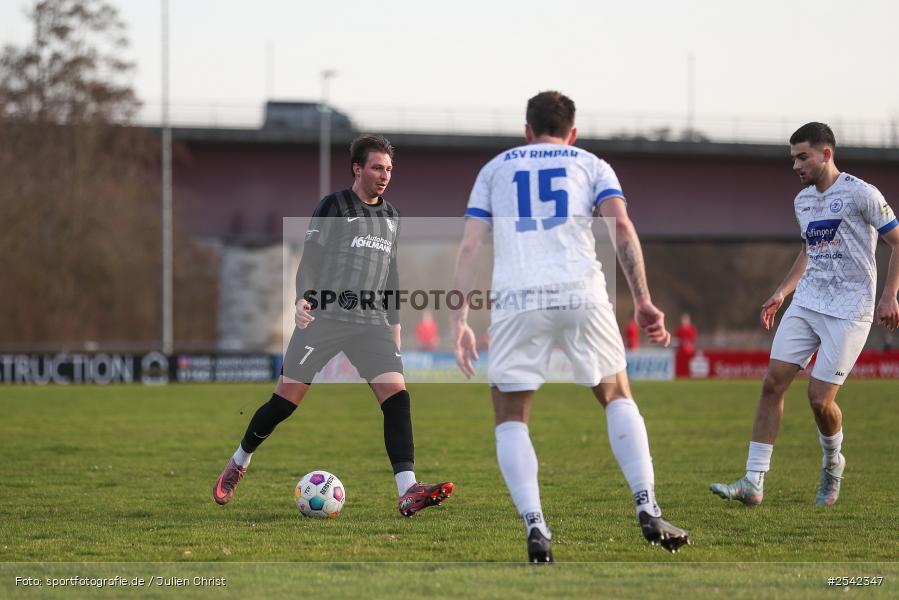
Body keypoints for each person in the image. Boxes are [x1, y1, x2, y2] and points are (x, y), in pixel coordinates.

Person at [450, 91, 689, 562]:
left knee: (511, 416)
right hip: (582, 293)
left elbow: (470, 247)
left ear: (526, 129)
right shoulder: (591, 163)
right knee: (617, 395)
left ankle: (536, 526)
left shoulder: (495, 169)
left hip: (518, 300)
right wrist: (642, 299)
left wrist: (458, 319)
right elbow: (621, 226)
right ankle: (647, 505)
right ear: (572, 131)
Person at [213, 134, 454, 516]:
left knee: (398, 400)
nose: (384, 175)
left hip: (371, 322)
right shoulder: (333, 207)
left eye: (389, 169)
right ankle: (240, 459)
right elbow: (309, 260)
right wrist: (302, 299)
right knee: (283, 404)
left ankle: (408, 491)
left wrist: (393, 323)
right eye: (377, 167)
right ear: (357, 168)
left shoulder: (391, 217)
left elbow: (390, 273)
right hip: (324, 318)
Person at [711, 122, 899, 507]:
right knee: (772, 383)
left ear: (826, 154)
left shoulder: (862, 193)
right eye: (792, 158)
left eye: (802, 157)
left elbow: (898, 242)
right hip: (808, 302)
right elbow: (809, 250)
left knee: (819, 399)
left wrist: (890, 296)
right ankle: (753, 482)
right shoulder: (803, 201)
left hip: (850, 310)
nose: (795, 165)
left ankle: (833, 462)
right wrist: (782, 291)